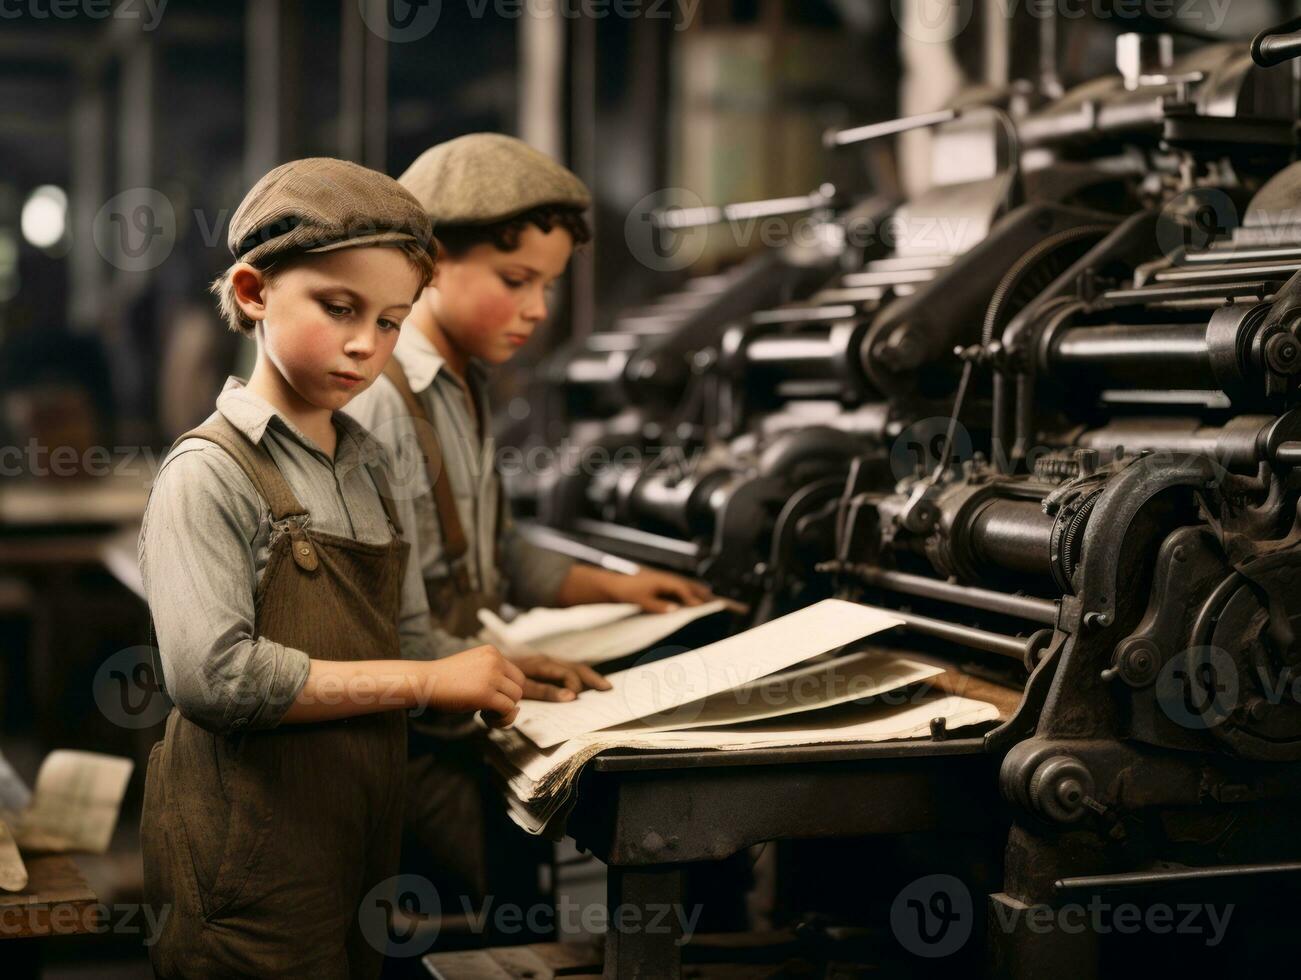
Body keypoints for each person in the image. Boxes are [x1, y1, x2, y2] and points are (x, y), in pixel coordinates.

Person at [138, 157, 526, 978]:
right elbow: (214, 677)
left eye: (390, 321)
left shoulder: (367, 463)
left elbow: (408, 637)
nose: (365, 345)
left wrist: (493, 671)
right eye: (338, 307)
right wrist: (425, 686)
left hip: (354, 855)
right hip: (244, 874)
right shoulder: (208, 473)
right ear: (252, 293)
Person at [345, 133, 713, 917]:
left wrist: (612, 586)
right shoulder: (381, 399)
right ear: (430, 262)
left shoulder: (460, 384)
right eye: (516, 281)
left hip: (455, 713)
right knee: (455, 928)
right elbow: (387, 624)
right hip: (408, 747)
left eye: (546, 285)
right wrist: (517, 665)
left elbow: (493, 547)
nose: (537, 310)